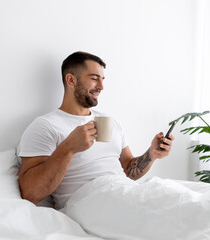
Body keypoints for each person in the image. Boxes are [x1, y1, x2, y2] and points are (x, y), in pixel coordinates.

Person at [17, 51, 174, 209]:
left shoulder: (109, 121)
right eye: (94, 79)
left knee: (179, 196)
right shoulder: (46, 126)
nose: (101, 87)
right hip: (88, 203)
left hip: (124, 192)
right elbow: (31, 193)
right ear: (71, 80)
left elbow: (128, 170)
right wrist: (68, 148)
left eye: (102, 79)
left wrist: (151, 154)